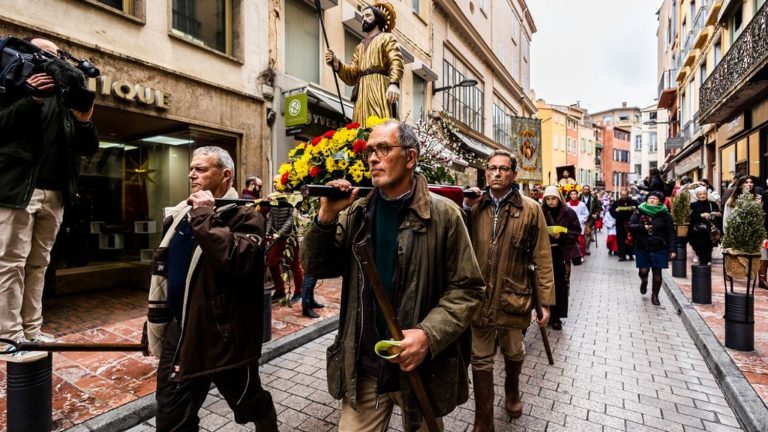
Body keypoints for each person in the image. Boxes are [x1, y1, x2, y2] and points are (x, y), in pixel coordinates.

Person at [302, 121, 484, 432]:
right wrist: (327, 217)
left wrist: (427, 335)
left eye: (384, 149)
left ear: (410, 158)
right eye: (370, 151)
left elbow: (467, 289)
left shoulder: (443, 216)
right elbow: (318, 266)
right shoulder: (357, 213)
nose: (373, 158)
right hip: (366, 365)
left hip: (418, 365)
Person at [145, 146, 277, 431]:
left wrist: (205, 216)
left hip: (223, 335)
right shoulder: (183, 213)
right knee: (171, 417)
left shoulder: (246, 216)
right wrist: (157, 323)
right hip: (181, 331)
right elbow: (166, 273)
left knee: (249, 402)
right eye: (191, 168)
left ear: (225, 175)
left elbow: (238, 259)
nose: (192, 174)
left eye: (201, 169)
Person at [0, 37, 99, 362]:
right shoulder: (12, 84)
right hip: (18, 191)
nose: (52, 62)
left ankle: (31, 330)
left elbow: (88, 148)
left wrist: (84, 119)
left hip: (56, 194)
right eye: (44, 55)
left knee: (39, 264)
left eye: (57, 57)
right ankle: (7, 336)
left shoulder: (67, 98)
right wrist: (31, 99)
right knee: (10, 264)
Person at [463, 149, 553, 430]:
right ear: (486, 172)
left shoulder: (531, 208)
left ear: (514, 174)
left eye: (503, 168)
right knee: (480, 358)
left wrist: (546, 303)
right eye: (492, 168)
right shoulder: (475, 206)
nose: (497, 173)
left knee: (514, 350)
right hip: (479, 297)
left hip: (514, 296)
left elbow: (542, 257)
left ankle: (512, 390)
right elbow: (457, 242)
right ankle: (483, 419)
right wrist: (465, 207)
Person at [324, 2, 403, 126]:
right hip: (361, 93)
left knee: (379, 124)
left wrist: (393, 83)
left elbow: (396, 60)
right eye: (363, 17)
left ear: (377, 19)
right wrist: (337, 64)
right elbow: (353, 75)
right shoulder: (359, 47)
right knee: (361, 126)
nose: (364, 19)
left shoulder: (387, 38)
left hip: (379, 87)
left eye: (368, 16)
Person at [541, 186, 581, 331]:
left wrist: (562, 235)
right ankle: (546, 313)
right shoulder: (540, 211)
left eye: (554, 198)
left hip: (561, 253)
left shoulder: (569, 212)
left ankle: (557, 317)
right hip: (544, 253)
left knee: (560, 285)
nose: (551, 202)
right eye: (548, 199)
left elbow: (576, 231)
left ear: (559, 198)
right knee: (545, 284)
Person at [628, 191, 676, 306]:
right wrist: (642, 227)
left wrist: (672, 250)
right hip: (642, 246)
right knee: (643, 271)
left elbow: (671, 233)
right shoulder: (639, 211)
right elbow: (630, 226)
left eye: (655, 198)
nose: (652, 200)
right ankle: (644, 281)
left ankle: (655, 295)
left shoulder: (665, 215)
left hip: (659, 246)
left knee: (657, 272)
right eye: (650, 198)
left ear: (660, 201)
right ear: (646, 200)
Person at [266, 193, 304, 304]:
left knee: (294, 265)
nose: (275, 185)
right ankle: (280, 291)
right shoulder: (273, 199)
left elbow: (291, 219)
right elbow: (271, 218)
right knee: (272, 263)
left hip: (289, 237)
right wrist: (268, 232)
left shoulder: (291, 199)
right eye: (273, 183)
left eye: (276, 182)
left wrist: (280, 233)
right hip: (277, 238)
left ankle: (299, 292)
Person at [689, 186, 722, 266]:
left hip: (709, 231)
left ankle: (705, 265)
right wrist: (701, 215)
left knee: (708, 248)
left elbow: (720, 214)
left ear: (707, 194)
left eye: (704, 194)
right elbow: (690, 216)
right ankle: (703, 263)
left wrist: (716, 214)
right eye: (700, 194)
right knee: (699, 247)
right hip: (697, 231)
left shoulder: (712, 204)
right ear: (697, 195)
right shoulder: (693, 205)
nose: (702, 195)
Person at [610, 189, 639, 262]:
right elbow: (611, 211)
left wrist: (634, 209)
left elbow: (639, 210)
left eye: (625, 195)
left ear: (627, 194)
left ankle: (630, 254)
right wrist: (615, 211)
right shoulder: (616, 203)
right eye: (622, 195)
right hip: (620, 223)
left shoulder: (633, 202)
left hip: (631, 223)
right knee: (621, 239)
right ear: (620, 195)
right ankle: (622, 255)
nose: (624, 196)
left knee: (630, 238)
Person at [566, 189, 589, 257]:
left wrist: (581, 220)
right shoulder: (567, 205)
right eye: (572, 194)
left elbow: (586, 214)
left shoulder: (582, 204)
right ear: (570, 196)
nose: (573, 195)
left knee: (580, 240)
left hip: (580, 224)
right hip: (570, 225)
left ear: (577, 195)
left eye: (575, 194)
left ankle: (581, 254)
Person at [580, 184, 601, 255]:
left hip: (589, 218)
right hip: (580, 218)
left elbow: (598, 207)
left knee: (588, 233)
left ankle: (586, 248)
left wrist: (596, 214)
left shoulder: (594, 197)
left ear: (589, 190)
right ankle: (580, 248)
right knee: (580, 234)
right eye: (584, 189)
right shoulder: (579, 196)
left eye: (587, 189)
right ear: (582, 190)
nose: (586, 191)